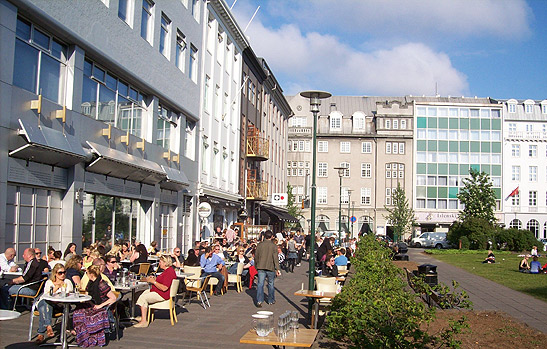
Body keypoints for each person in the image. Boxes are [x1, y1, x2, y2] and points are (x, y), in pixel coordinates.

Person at [73, 265, 117, 347]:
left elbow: (113, 298)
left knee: (88, 314)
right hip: (92, 304)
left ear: (91, 274)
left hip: (101, 306)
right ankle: (81, 334)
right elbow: (88, 293)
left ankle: (90, 337)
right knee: (77, 311)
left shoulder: (101, 284)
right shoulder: (90, 283)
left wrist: (100, 306)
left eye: (87, 273)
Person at [34, 264, 74, 343]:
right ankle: (48, 326)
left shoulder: (67, 282)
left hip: (60, 305)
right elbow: (46, 295)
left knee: (43, 308)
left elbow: (69, 294)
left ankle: (42, 333)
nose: (63, 275)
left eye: (64, 272)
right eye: (60, 273)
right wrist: (55, 288)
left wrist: (63, 288)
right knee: (45, 304)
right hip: (46, 302)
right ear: (55, 273)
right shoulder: (49, 282)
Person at [134, 255, 177, 328]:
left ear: (165, 263)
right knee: (139, 294)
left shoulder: (169, 273)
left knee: (143, 298)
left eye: (160, 262)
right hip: (159, 291)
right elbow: (163, 282)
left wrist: (154, 282)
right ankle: (143, 316)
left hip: (162, 294)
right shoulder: (168, 271)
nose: (159, 264)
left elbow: (164, 288)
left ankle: (144, 321)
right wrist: (155, 279)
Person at [254, 230, 281, 308]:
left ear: (264, 236)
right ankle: (270, 300)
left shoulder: (259, 245)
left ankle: (259, 300)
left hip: (261, 266)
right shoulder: (273, 246)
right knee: (271, 284)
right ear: (272, 236)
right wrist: (277, 269)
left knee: (260, 284)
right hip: (270, 267)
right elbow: (275, 258)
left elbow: (256, 256)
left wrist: (256, 266)